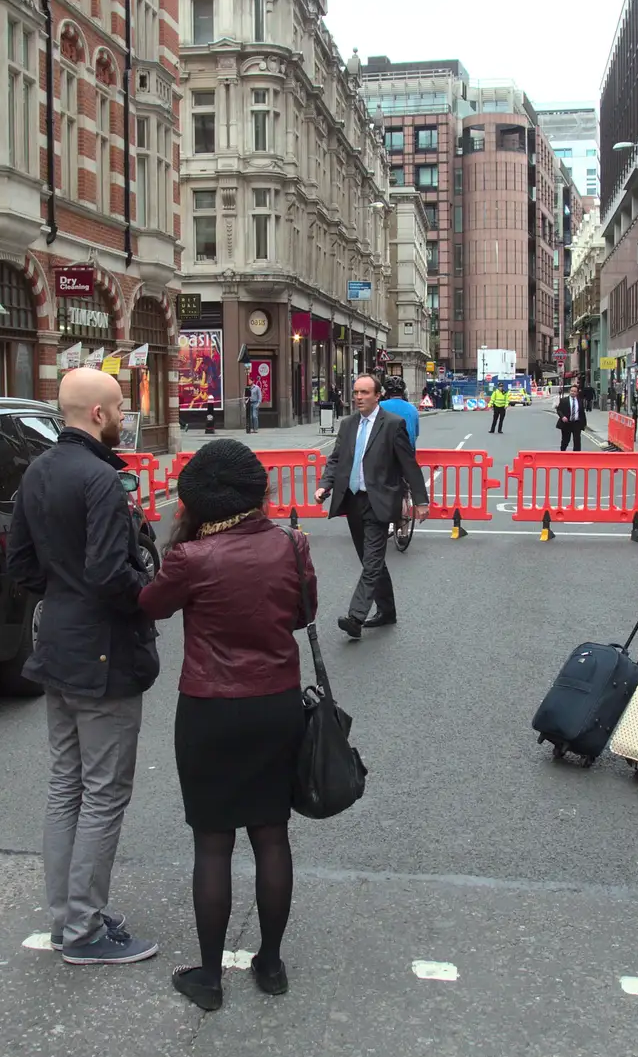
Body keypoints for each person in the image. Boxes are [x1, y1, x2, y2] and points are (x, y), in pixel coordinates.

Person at [138, 440, 311, 1011]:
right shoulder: (291, 543)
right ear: (256, 490)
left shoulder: (190, 558)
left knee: (212, 845)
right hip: (276, 703)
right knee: (271, 835)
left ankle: (209, 977)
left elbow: (151, 606)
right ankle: (271, 964)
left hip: (210, 707)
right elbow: (304, 614)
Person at [6, 367, 161, 965]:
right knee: (102, 794)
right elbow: (109, 573)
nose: (125, 418)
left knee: (65, 787)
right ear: (98, 414)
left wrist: (60, 594)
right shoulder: (102, 480)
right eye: (120, 408)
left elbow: (20, 565)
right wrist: (149, 588)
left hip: (58, 645)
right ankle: (84, 932)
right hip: (104, 653)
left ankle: (68, 915)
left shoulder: (38, 469)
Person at [314, 372, 428, 641]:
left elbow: (408, 464)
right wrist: (324, 485)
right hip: (353, 500)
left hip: (379, 499)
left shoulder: (393, 424)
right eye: (356, 392)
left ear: (378, 396)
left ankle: (356, 617)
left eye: (365, 392)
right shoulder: (348, 424)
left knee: (372, 561)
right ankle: (387, 611)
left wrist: (421, 501)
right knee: (370, 560)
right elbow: (336, 459)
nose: (358, 397)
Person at [378, 376, 420, 445]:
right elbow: (415, 436)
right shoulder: (413, 409)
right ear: (404, 392)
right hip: (407, 452)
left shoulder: (379, 406)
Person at [557, 384, 587, 451]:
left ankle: (576, 456)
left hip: (576, 423)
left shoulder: (580, 401)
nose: (572, 392)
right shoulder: (564, 400)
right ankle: (562, 452)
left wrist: (584, 424)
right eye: (571, 391)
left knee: (577, 441)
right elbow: (559, 410)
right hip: (567, 423)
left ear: (577, 393)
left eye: (574, 391)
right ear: (569, 391)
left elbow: (582, 413)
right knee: (565, 440)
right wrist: (562, 417)